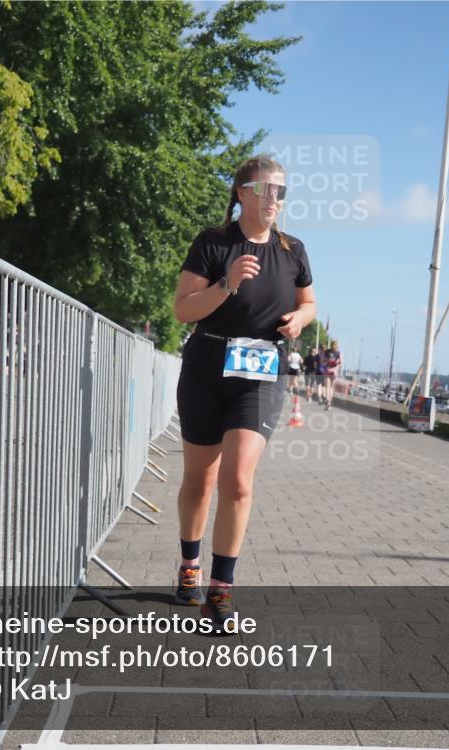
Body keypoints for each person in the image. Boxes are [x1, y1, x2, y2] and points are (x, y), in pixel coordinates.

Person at [172, 155, 316, 632]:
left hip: (260, 372)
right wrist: (227, 284)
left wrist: (301, 319)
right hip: (207, 366)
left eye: (282, 191)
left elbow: (309, 301)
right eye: (266, 189)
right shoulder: (213, 244)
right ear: (242, 193)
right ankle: (189, 562)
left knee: (237, 480)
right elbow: (183, 310)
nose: (275, 199)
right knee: (200, 480)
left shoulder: (293, 249)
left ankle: (221, 590)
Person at [322, 340, 342, 410]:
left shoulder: (327, 352)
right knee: (331, 388)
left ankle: (327, 399)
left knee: (327, 386)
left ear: (331, 345)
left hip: (327, 370)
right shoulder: (338, 353)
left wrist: (327, 361)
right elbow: (341, 363)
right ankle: (329, 403)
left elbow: (323, 361)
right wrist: (337, 367)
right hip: (334, 372)